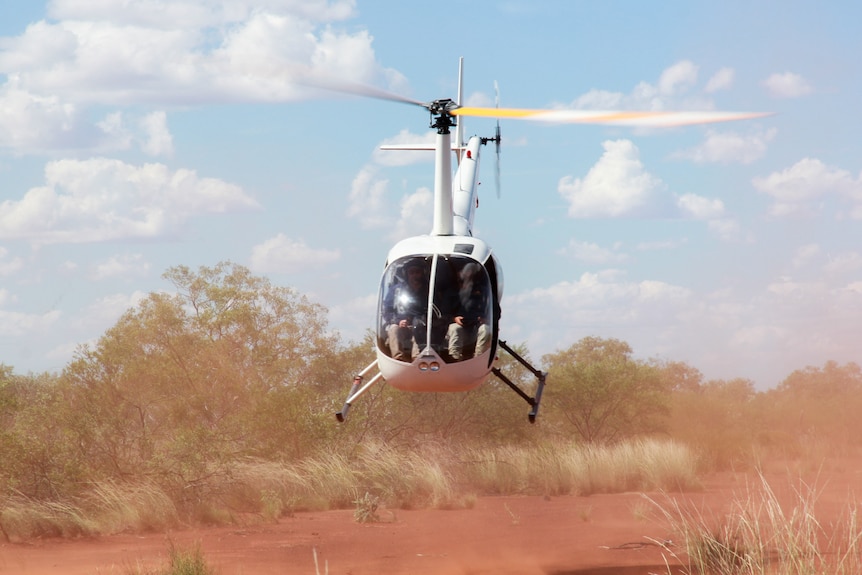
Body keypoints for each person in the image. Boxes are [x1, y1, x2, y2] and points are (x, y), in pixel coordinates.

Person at [383, 261, 429, 361]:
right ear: (406, 274)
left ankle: (417, 359)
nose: (414, 275)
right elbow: (387, 310)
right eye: (411, 273)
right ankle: (398, 358)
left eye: (417, 272)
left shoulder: (428, 290)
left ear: (422, 274)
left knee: (420, 328)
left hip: (421, 326)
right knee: (393, 329)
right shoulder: (396, 291)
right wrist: (398, 321)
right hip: (401, 326)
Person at [447, 263, 491, 361]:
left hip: (476, 329)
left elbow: (495, 311)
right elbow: (443, 313)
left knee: (485, 329)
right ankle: (454, 358)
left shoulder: (483, 292)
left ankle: (477, 358)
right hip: (460, 329)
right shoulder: (452, 293)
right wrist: (454, 318)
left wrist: (486, 319)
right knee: (455, 328)